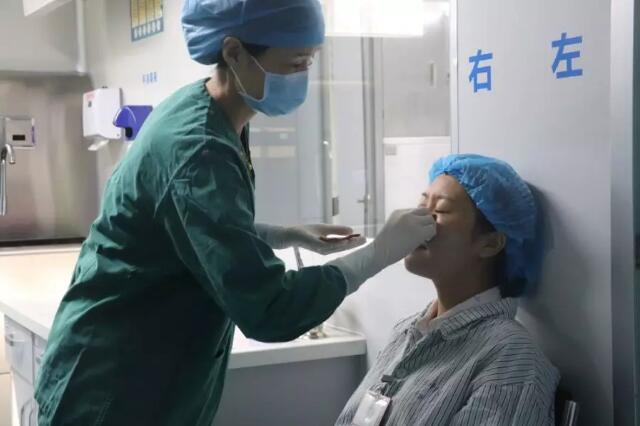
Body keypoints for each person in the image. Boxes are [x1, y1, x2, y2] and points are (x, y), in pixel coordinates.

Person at [34, 1, 437, 425]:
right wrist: (378, 253)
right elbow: (269, 309)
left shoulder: (209, 111)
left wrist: (282, 235)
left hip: (136, 373)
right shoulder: (199, 148)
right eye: (295, 63)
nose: (303, 76)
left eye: (310, 60)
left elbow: (191, 226)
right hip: (114, 389)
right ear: (234, 52)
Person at [335, 154, 560, 426]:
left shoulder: (511, 362)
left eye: (440, 211)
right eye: (421, 206)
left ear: (490, 244)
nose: (416, 220)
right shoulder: (406, 332)